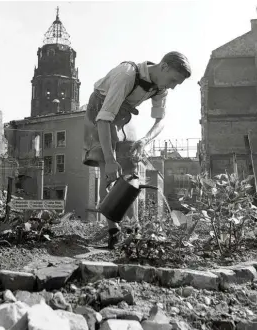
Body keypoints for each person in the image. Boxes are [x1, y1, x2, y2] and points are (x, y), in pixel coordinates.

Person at [82, 51, 191, 249]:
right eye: (173, 80)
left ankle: (134, 229)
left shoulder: (160, 88)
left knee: (130, 172)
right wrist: (110, 159)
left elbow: (161, 121)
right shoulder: (127, 75)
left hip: (122, 114)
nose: (173, 87)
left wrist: (144, 140)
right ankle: (113, 229)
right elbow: (104, 118)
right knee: (109, 172)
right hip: (99, 112)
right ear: (164, 66)